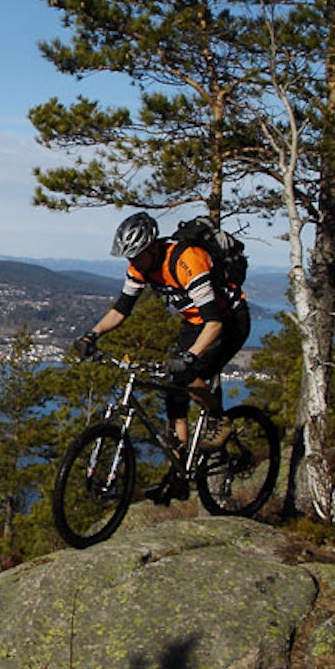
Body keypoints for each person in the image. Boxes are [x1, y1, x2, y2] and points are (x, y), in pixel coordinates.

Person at [72, 211, 252, 503]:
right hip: (194, 324)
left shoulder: (186, 261)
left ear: (153, 247)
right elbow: (121, 309)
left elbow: (214, 322)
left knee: (187, 376)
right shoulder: (140, 268)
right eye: (128, 257)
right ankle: (179, 474)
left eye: (136, 256)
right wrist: (92, 335)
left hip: (227, 322)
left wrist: (191, 357)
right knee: (173, 395)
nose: (132, 263)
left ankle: (220, 420)